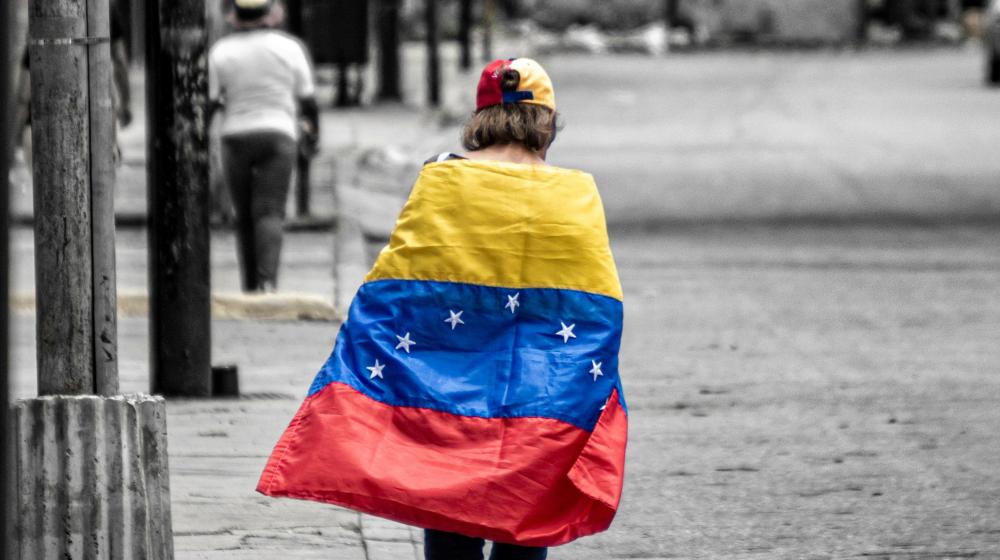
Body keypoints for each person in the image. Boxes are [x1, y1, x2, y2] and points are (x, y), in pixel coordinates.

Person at [257, 59, 627, 560]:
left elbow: (397, 279)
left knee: (447, 497)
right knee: (527, 505)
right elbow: (596, 305)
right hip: (537, 390)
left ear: (480, 118)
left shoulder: (441, 178)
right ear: (547, 122)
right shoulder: (577, 193)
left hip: (445, 386)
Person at [208, 0, 318, 292]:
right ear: (269, 14)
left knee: (243, 214)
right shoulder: (289, 48)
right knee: (269, 211)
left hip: (235, 136)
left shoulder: (221, 51)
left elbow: (210, 99)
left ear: (235, 17)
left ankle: (248, 285)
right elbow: (307, 100)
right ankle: (267, 283)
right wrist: (313, 135)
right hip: (279, 135)